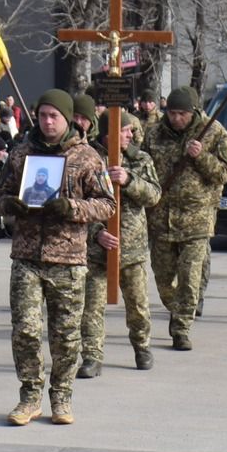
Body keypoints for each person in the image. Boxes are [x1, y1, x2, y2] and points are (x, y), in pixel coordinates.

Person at [0, 89, 114, 425]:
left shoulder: (87, 157)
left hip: (69, 259)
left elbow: (107, 203)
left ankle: (61, 397)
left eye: (55, 116)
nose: (48, 122)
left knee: (65, 335)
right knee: (26, 330)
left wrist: (73, 207)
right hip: (26, 257)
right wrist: (10, 205)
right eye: (43, 115)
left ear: (67, 119)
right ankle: (29, 397)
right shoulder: (21, 154)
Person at [142, 86, 227, 352]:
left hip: (197, 219)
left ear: (193, 111)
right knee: (163, 279)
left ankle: (181, 327)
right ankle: (178, 308)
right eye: (171, 113)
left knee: (189, 277)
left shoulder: (214, 132)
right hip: (161, 219)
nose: (176, 118)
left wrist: (201, 156)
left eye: (181, 113)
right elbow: (142, 168)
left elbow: (223, 173)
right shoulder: (154, 133)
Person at [79, 109, 160, 375]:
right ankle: (92, 356)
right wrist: (96, 233)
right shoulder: (88, 160)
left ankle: (142, 347)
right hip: (98, 250)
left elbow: (154, 195)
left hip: (132, 248)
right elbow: (80, 204)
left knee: (138, 305)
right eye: (125, 130)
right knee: (92, 307)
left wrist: (129, 180)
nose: (130, 134)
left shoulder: (140, 159)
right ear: (109, 133)